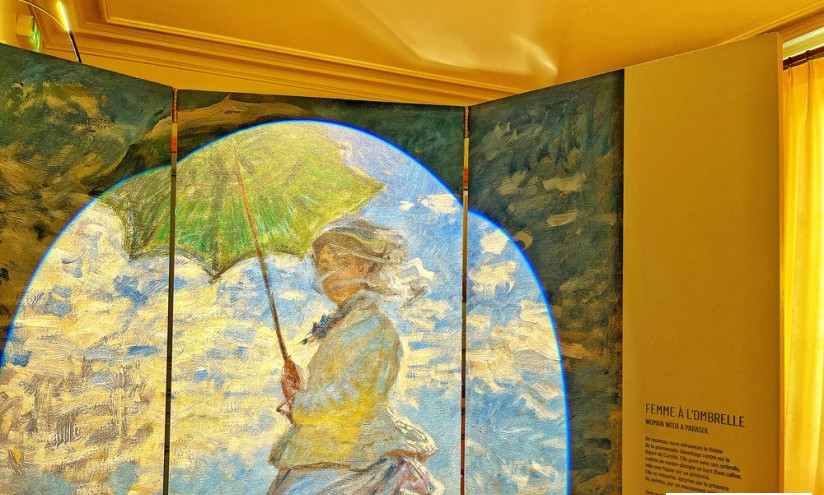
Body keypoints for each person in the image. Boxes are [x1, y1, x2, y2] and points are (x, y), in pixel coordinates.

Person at [267, 219, 440, 495]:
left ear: (364, 266)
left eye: (342, 263)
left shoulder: (375, 328)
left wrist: (298, 402)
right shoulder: (343, 326)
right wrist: (300, 389)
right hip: (324, 453)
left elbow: (355, 398)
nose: (331, 275)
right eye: (324, 266)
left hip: (358, 459)